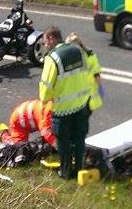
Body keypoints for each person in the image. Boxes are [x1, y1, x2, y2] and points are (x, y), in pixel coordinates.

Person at [39, 26, 94, 179]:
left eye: (44, 43)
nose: (45, 46)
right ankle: (80, 168)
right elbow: (88, 71)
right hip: (82, 104)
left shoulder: (52, 58)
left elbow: (46, 86)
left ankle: (66, 172)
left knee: (63, 141)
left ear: (51, 38)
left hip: (63, 109)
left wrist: (44, 100)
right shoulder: (77, 50)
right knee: (79, 138)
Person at [65, 33, 104, 112]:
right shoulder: (89, 54)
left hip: (77, 96)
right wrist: (100, 86)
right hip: (88, 94)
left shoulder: (72, 58)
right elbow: (96, 74)